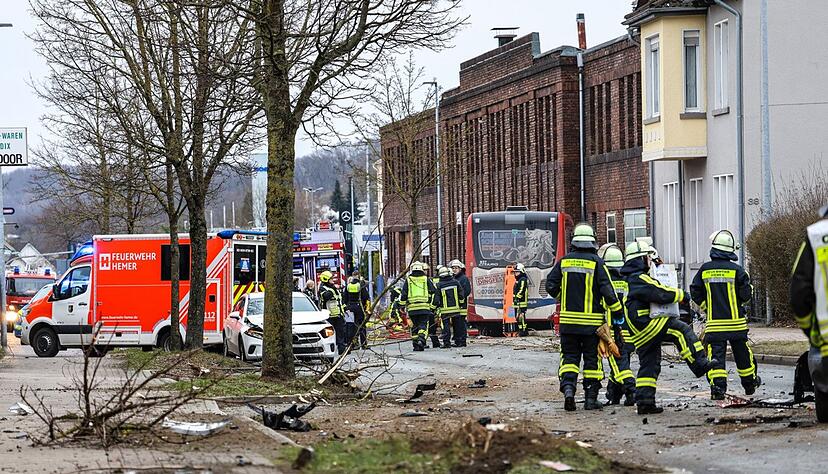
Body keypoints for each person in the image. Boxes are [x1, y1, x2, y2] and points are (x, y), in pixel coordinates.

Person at [621, 240, 717, 415]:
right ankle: (699, 364)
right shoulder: (639, 278)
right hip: (646, 324)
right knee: (681, 330)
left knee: (650, 364)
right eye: (647, 257)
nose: (649, 260)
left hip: (639, 329)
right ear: (640, 259)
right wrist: (681, 295)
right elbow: (659, 292)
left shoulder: (633, 278)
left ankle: (645, 401)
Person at [546, 224, 624, 411]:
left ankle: (569, 391)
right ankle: (590, 399)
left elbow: (550, 285)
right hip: (591, 325)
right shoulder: (597, 262)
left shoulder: (564, 262)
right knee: (592, 361)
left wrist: (562, 296)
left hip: (568, 324)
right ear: (592, 242)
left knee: (569, 358)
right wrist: (617, 313)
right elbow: (608, 291)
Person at [690, 230, 759, 400]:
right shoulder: (738, 271)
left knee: (716, 358)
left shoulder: (704, 270)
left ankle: (718, 389)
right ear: (730, 250)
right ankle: (749, 384)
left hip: (716, 325)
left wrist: (707, 307)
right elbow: (745, 296)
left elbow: (695, 291)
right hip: (736, 324)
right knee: (743, 355)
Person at [597, 244, 636, 406]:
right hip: (631, 331)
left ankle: (631, 390)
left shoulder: (604, 284)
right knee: (620, 364)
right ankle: (613, 395)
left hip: (612, 332)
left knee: (620, 366)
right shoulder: (629, 282)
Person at [397, 262, 440, 351]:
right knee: (423, 325)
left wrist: (401, 306)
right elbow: (434, 292)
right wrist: (432, 306)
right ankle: (421, 339)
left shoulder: (409, 280)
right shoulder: (425, 279)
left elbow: (404, 294)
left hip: (412, 309)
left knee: (414, 326)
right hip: (424, 308)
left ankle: (416, 345)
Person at [436, 266, 466, 348]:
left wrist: (435, 307)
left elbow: (437, 298)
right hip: (456, 309)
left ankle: (447, 343)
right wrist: (461, 303)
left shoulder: (439, 285)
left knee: (446, 327)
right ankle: (459, 342)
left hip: (445, 310)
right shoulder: (456, 282)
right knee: (457, 326)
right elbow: (461, 295)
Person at [318, 271, 346, 354]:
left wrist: (344, 309)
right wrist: (333, 289)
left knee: (340, 332)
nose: (332, 280)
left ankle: (342, 349)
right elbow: (326, 297)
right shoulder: (323, 288)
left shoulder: (333, 287)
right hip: (329, 315)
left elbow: (339, 300)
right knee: (330, 335)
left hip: (338, 314)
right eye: (331, 279)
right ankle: (331, 350)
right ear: (326, 279)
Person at [343, 271, 371, 349]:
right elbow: (366, 297)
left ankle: (352, 344)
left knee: (351, 327)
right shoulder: (361, 285)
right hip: (359, 307)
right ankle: (363, 344)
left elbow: (344, 298)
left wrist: (346, 308)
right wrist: (367, 309)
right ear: (358, 276)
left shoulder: (348, 286)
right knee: (362, 326)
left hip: (350, 308)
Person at [449, 259, 471, 346]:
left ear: (460, 269)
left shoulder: (463, 278)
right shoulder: (453, 278)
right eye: (453, 268)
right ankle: (457, 340)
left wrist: (460, 298)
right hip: (455, 305)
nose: (454, 269)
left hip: (461, 305)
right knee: (455, 323)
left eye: (456, 268)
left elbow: (467, 291)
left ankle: (462, 341)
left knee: (461, 323)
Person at [513, 263, 529, 337]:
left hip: (521, 301)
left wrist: (518, 297)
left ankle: (524, 331)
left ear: (522, 271)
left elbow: (522, 289)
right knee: (517, 317)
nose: (515, 273)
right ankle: (520, 330)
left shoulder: (523, 279)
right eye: (515, 272)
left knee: (521, 316)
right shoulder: (518, 280)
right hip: (516, 302)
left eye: (517, 272)